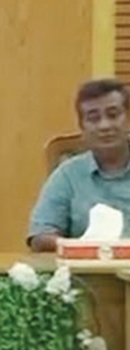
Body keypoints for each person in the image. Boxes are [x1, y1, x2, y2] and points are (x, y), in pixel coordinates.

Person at [28, 78, 130, 252]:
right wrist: (80, 249)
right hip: (86, 267)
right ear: (82, 126)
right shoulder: (68, 174)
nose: (104, 126)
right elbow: (40, 235)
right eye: (93, 118)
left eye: (113, 115)